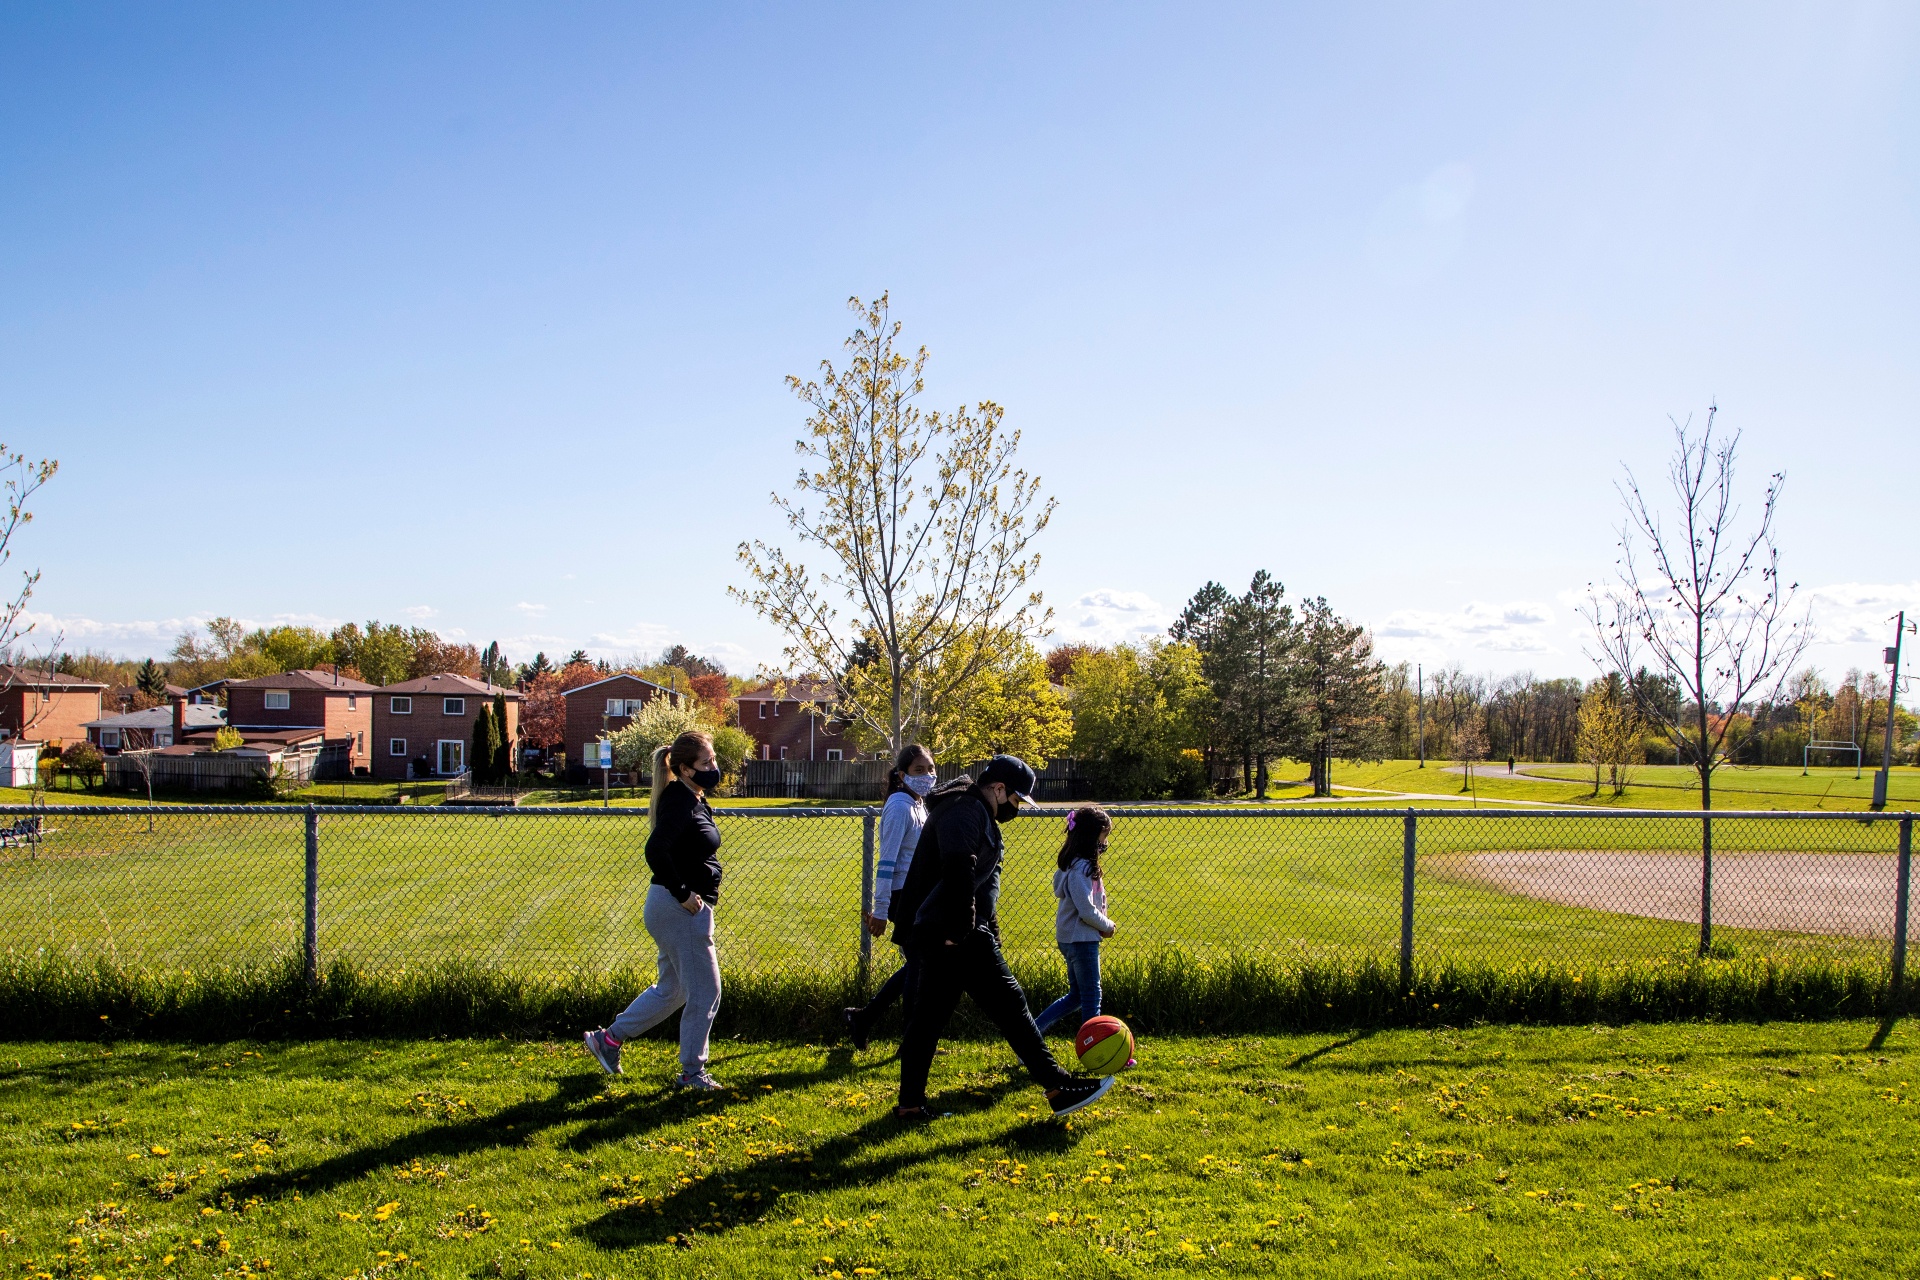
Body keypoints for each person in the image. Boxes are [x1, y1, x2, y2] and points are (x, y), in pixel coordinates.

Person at [890, 754, 1114, 1122]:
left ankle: (910, 1105)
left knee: (928, 1018)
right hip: (953, 930)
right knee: (1010, 1004)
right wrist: (960, 930)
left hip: (948, 929)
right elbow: (958, 866)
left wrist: (989, 930)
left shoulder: (977, 812)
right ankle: (1058, 1087)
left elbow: (983, 887)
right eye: (1015, 799)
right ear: (998, 788)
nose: (1017, 808)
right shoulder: (964, 809)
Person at [583, 730, 725, 1089]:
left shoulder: (692, 796)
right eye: (707, 762)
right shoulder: (679, 799)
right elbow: (656, 850)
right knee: (705, 992)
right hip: (679, 910)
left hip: (674, 909)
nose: (714, 767)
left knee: (672, 991)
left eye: (713, 759)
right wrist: (683, 893)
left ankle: (608, 1040)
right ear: (686, 769)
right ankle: (692, 1072)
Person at [842, 743, 936, 1051]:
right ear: (902, 775)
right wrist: (881, 909)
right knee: (920, 966)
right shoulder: (899, 806)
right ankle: (912, 1040)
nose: (927, 775)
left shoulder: (918, 803)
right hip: (903, 896)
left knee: (920, 964)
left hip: (918, 894)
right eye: (919, 770)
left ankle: (864, 1018)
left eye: (930, 769)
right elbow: (886, 862)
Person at [1033, 806, 1115, 1038]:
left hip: (1073, 939)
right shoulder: (1081, 869)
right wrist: (1107, 925)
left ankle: (1031, 1034)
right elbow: (1086, 910)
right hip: (1081, 940)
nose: (1105, 843)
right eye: (1104, 837)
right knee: (1091, 997)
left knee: (1077, 996)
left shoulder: (1073, 865)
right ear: (1091, 837)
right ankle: (1093, 1045)